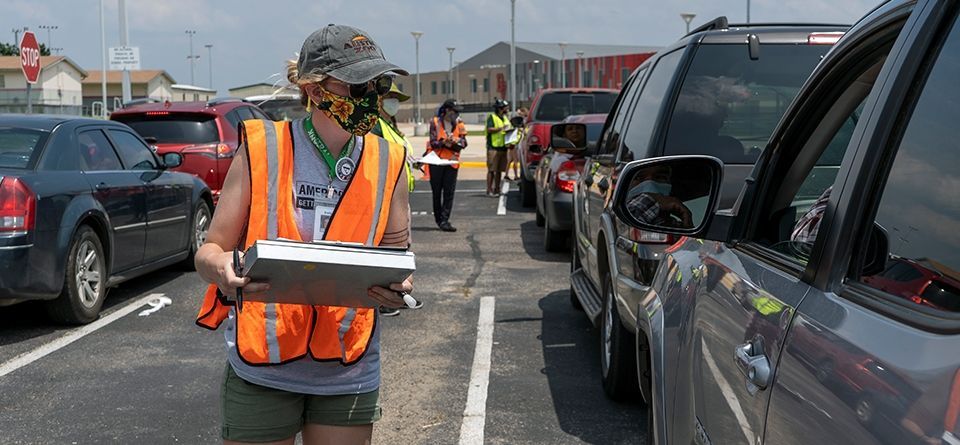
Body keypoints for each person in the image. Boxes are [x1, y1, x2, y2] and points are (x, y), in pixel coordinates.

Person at [193, 24, 412, 445]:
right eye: (356, 85)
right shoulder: (262, 149)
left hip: (348, 366)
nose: (371, 95)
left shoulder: (391, 159)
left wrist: (398, 289)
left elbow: (398, 258)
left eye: (378, 84)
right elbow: (210, 251)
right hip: (262, 364)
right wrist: (223, 267)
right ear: (315, 91)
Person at [371, 83, 423, 317]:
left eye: (397, 98)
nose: (395, 103)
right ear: (379, 100)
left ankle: (398, 294)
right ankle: (385, 299)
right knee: (390, 250)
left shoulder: (392, 126)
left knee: (402, 248)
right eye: (390, 97)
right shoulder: (376, 126)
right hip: (386, 197)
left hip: (399, 196)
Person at [427, 99, 467, 232]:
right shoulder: (435, 122)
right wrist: (444, 143)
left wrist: (457, 142)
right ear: (446, 111)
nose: (456, 114)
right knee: (437, 192)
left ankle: (444, 220)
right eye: (454, 111)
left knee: (449, 193)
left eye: (457, 112)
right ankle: (439, 219)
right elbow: (433, 142)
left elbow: (464, 143)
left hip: (452, 162)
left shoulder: (459, 124)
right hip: (436, 162)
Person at [625, 165, 692, 228]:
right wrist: (654, 200)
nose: (650, 185)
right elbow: (624, 224)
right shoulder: (622, 217)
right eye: (638, 178)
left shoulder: (676, 228)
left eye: (660, 177)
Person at [485, 99, 511, 196]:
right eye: (505, 108)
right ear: (500, 108)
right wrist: (501, 129)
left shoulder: (505, 118)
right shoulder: (492, 117)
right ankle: (489, 190)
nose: (507, 109)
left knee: (499, 170)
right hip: (493, 147)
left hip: (503, 147)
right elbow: (489, 129)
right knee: (492, 169)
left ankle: (497, 189)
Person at [505, 107, 526, 181]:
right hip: (514, 144)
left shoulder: (519, 122)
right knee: (515, 160)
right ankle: (516, 176)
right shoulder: (518, 123)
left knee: (510, 160)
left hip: (512, 144)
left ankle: (506, 174)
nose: (519, 114)